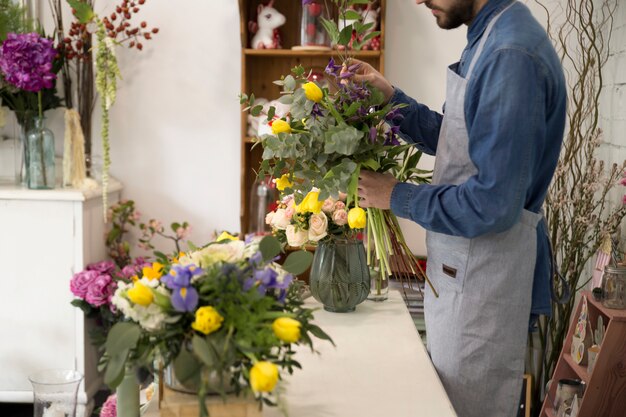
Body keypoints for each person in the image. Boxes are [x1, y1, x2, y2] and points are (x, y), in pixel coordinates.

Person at [353, 0, 566, 416]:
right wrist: (391, 99)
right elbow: (461, 145)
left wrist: (395, 194)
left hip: (484, 281)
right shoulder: (490, 37)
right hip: (467, 274)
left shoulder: (510, 56)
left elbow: (492, 203)